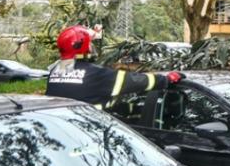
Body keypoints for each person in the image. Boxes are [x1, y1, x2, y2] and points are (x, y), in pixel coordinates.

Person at [46, 25, 183, 109]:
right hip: (91, 130)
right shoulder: (95, 74)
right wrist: (166, 80)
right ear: (82, 47)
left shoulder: (55, 71)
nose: (91, 48)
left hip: (64, 130)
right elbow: (136, 81)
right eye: (90, 44)